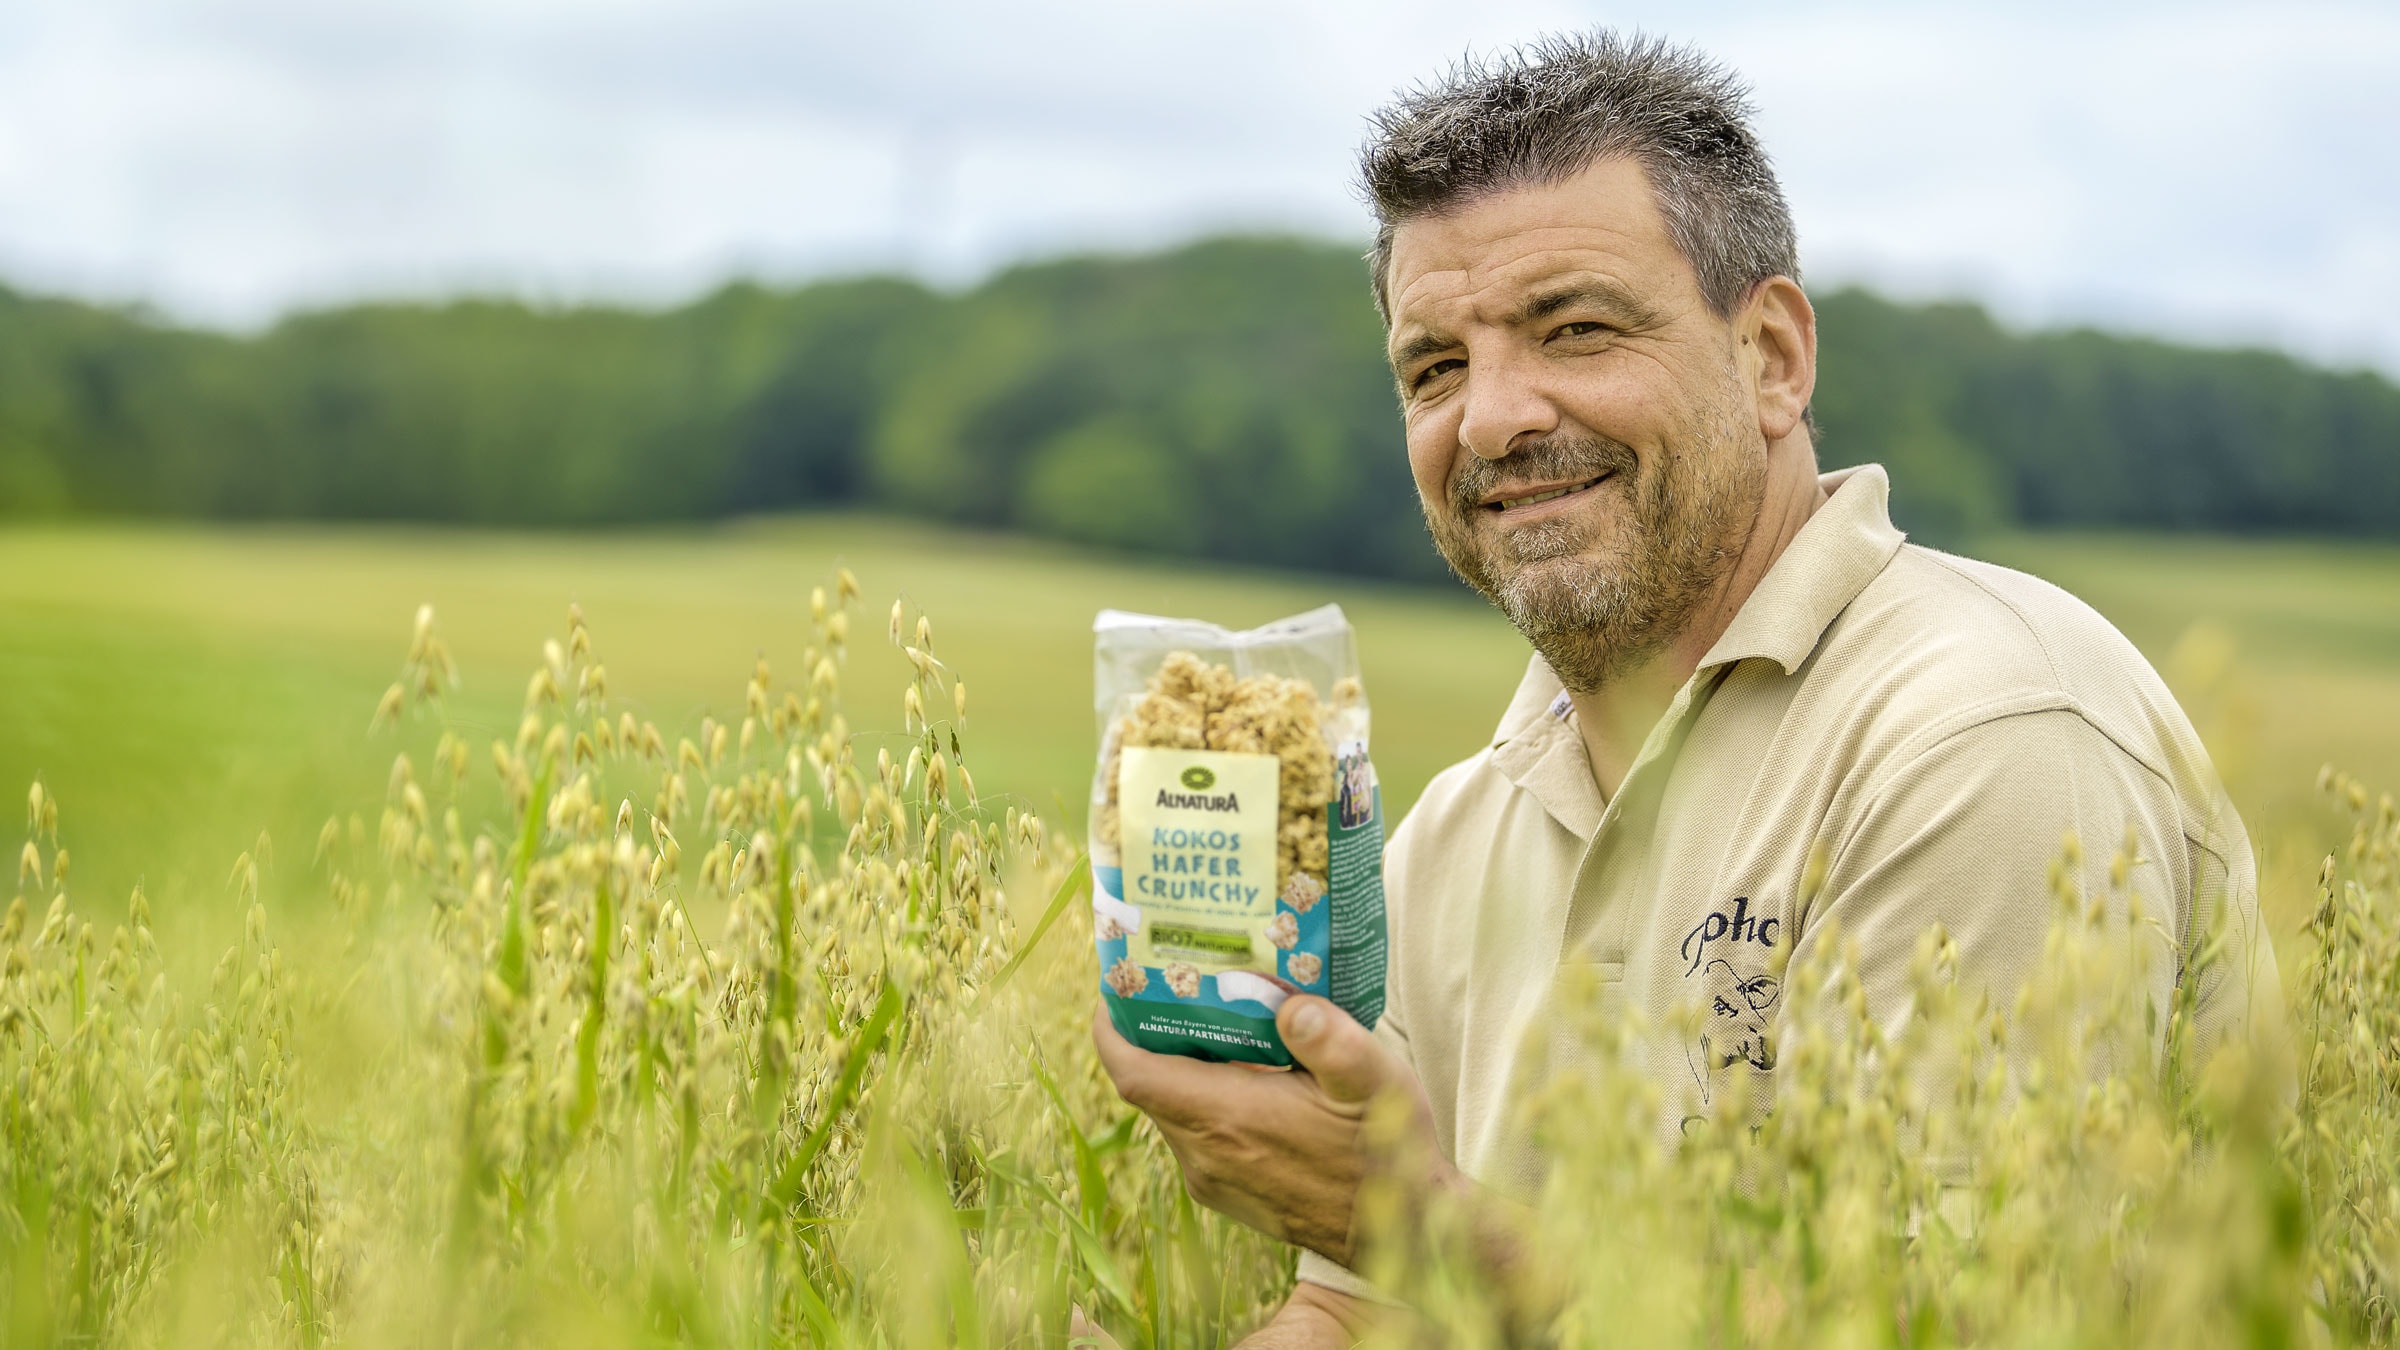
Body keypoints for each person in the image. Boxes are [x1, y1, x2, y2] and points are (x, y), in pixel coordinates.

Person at [1083, 30, 2283, 1348]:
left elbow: (1932, 1321)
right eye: (1435, 368)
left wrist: (1419, 1229)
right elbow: (1353, 1319)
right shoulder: (1449, 840)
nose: (1491, 417)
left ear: (1771, 357)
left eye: (1575, 330)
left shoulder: (1976, 737)